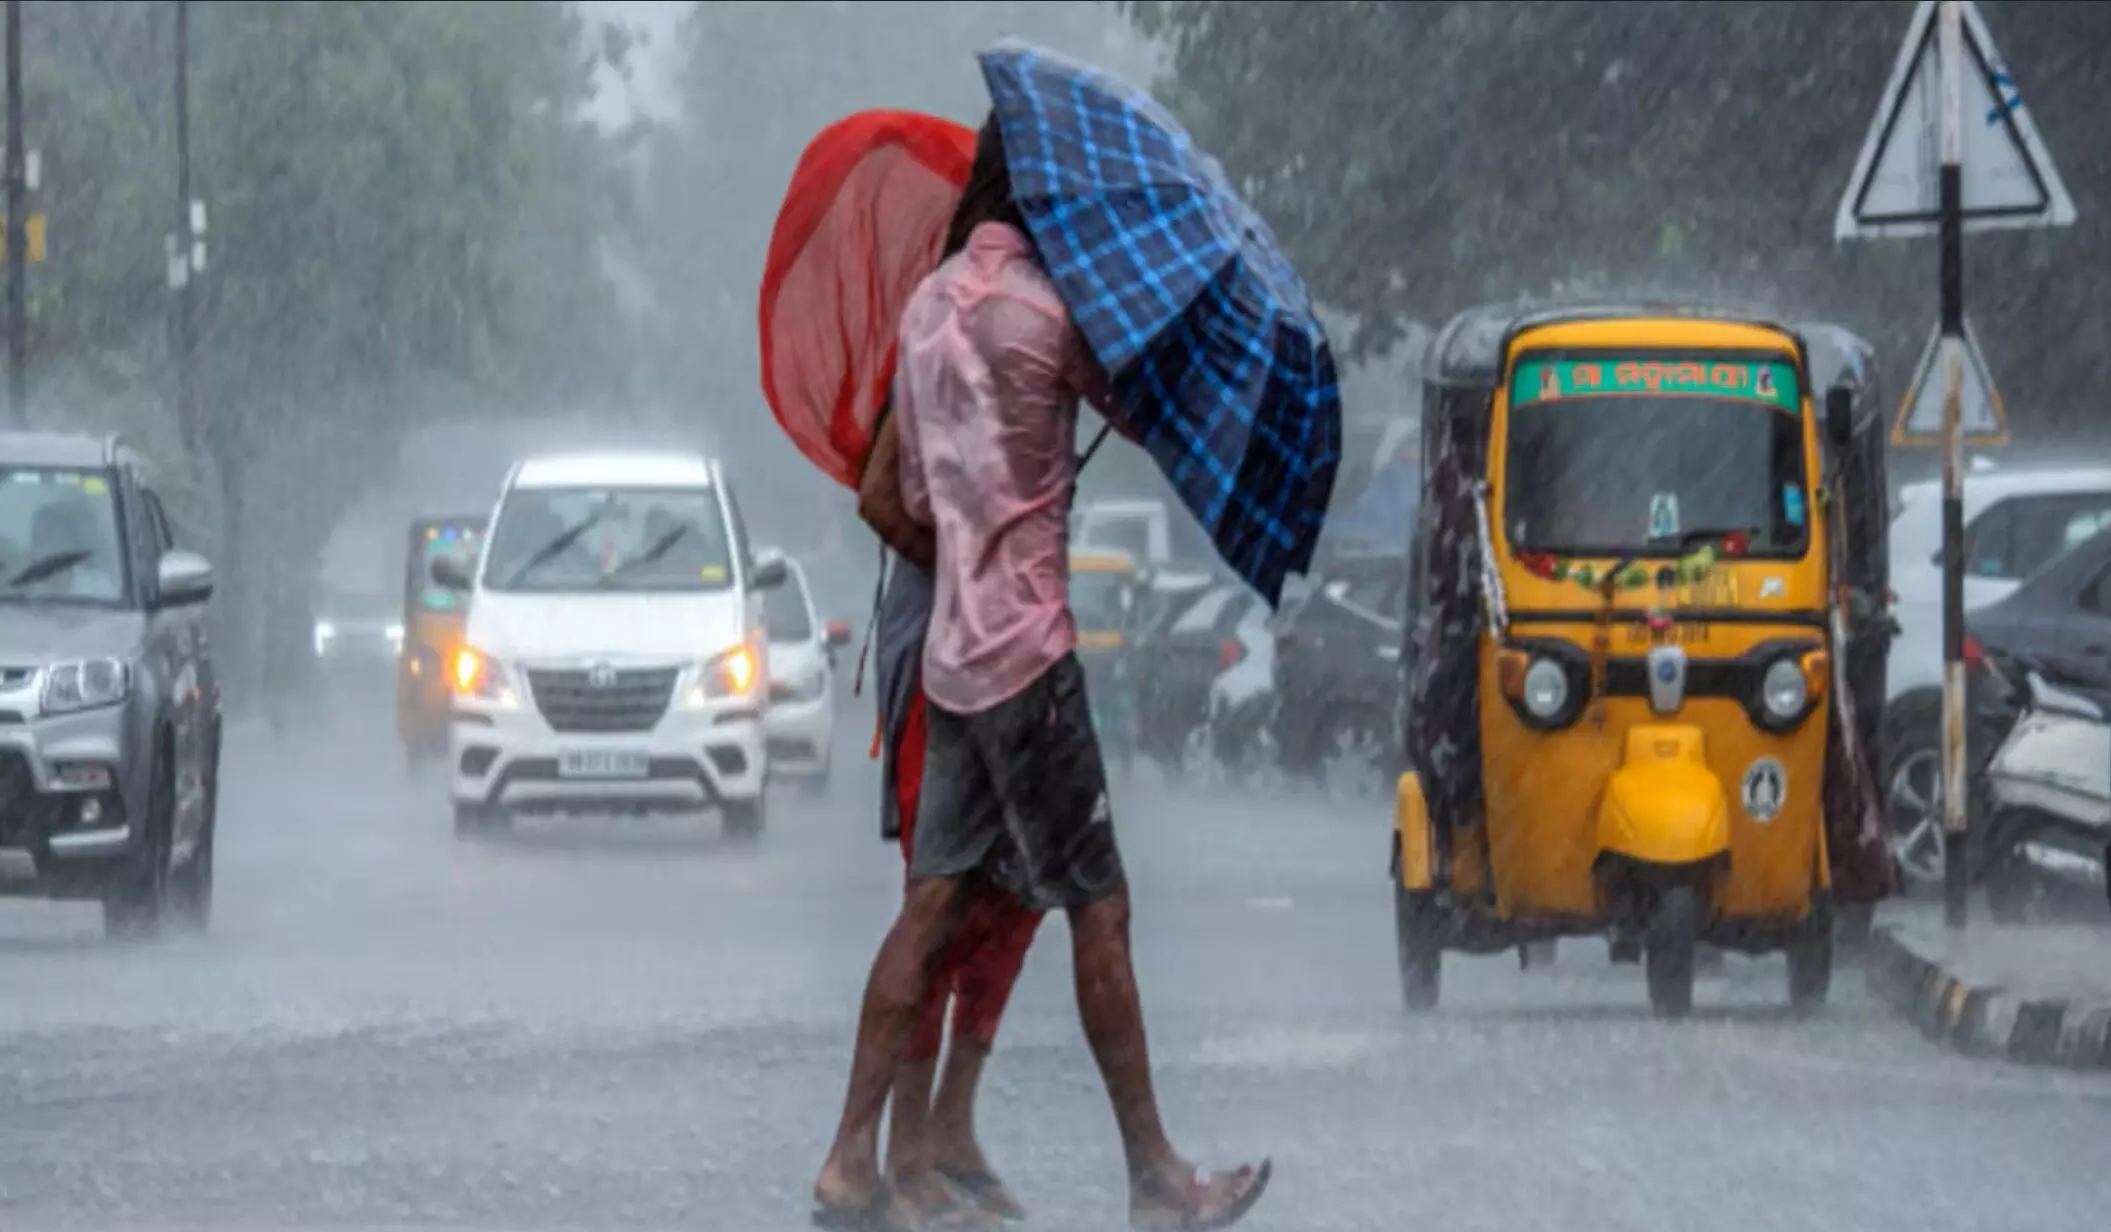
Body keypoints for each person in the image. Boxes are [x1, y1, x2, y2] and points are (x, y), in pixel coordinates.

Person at [812, 113, 1271, 1232]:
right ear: (1049, 201)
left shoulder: (927, 315)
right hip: (1029, 660)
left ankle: (843, 1158)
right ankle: (1158, 1176)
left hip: (952, 662)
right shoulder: (1049, 316)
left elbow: (910, 499)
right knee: (1099, 912)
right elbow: (1150, 412)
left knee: (926, 911)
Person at [857, 404, 1043, 1230]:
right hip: (939, 661)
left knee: (1020, 893)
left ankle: (950, 1126)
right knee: (937, 900)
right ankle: (899, 1154)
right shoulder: (932, 336)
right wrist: (967, 563)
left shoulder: (1033, 345)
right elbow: (879, 499)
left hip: (1016, 655)